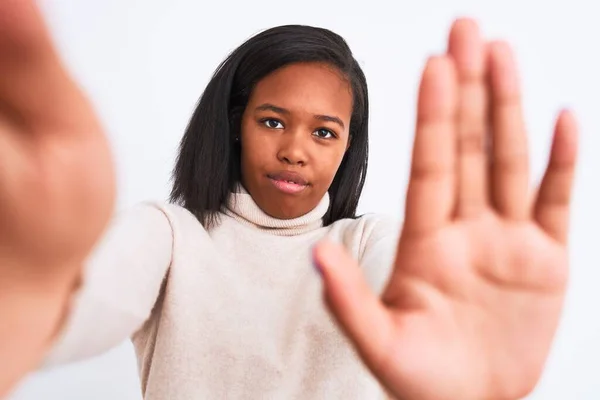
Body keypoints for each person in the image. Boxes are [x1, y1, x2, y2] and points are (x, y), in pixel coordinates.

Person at [0, 1, 579, 399]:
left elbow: (405, 284)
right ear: (234, 124)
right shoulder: (171, 236)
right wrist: (31, 293)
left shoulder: (367, 245)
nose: (296, 151)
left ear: (349, 146)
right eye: (273, 121)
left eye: (324, 132)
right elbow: (90, 301)